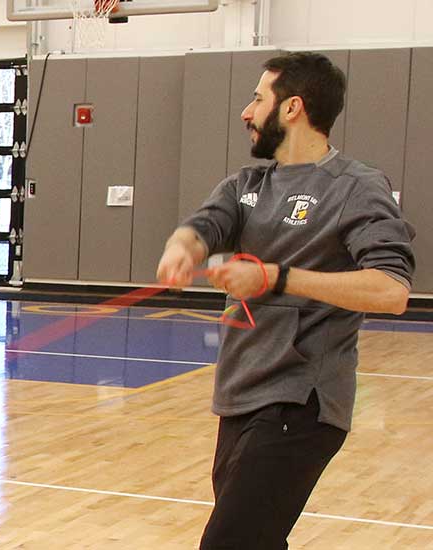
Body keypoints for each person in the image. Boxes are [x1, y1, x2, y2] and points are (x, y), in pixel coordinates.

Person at [156, 51, 416, 549]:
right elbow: (202, 228)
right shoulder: (245, 185)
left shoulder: (356, 187)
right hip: (238, 396)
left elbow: (391, 290)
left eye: (257, 99)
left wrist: (277, 278)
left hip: (302, 402)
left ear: (293, 107)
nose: (246, 112)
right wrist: (180, 250)